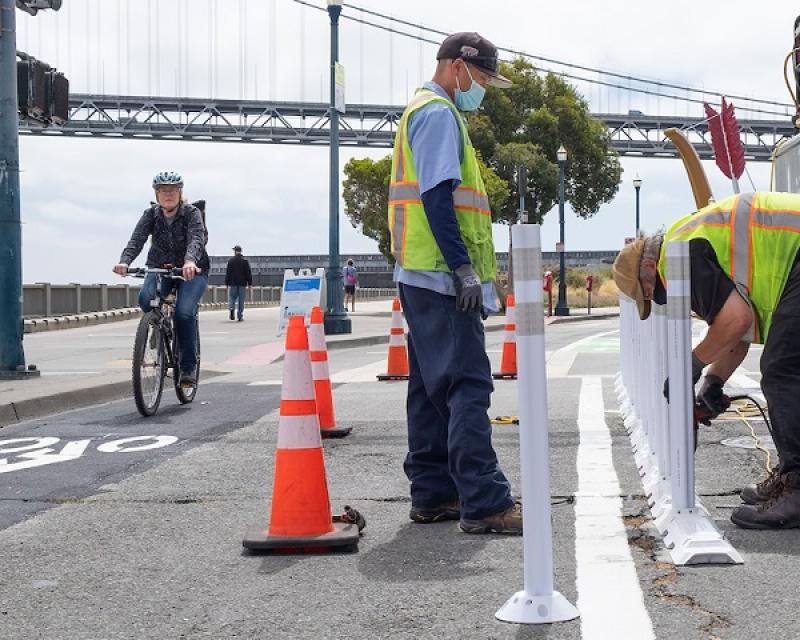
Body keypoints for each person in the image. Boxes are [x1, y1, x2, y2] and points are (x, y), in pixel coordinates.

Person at [387, 32, 521, 534]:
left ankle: (434, 493)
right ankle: (485, 502)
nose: (483, 87)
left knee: (427, 388)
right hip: (443, 279)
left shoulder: (419, 110)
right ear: (457, 68)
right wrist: (464, 268)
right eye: (483, 77)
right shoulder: (440, 114)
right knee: (468, 383)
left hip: (419, 273)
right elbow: (439, 197)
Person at [613, 191, 800, 530]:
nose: (661, 300)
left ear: (648, 271)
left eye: (653, 295)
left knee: (783, 370)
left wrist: (691, 367)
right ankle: (792, 474)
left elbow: (735, 320)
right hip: (795, 256)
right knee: (785, 365)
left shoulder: (679, 258)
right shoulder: (687, 241)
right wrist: (714, 381)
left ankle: (798, 486)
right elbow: (735, 328)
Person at [113, 171, 209, 387]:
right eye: (163, 190)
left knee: (184, 313)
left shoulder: (191, 213)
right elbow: (136, 240)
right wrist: (125, 261)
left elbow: (196, 239)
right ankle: (157, 325)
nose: (168, 194)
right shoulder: (151, 215)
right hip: (158, 267)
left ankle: (187, 368)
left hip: (192, 270)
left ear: (180, 193)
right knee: (146, 299)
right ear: (156, 195)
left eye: (173, 190)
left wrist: (189, 261)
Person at [225, 245, 252, 322]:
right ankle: (240, 316)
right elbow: (248, 273)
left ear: (235, 251)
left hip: (233, 283)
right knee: (241, 300)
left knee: (232, 298)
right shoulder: (245, 261)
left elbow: (228, 273)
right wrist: (249, 283)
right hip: (242, 284)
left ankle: (231, 309)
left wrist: (227, 283)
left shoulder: (231, 261)